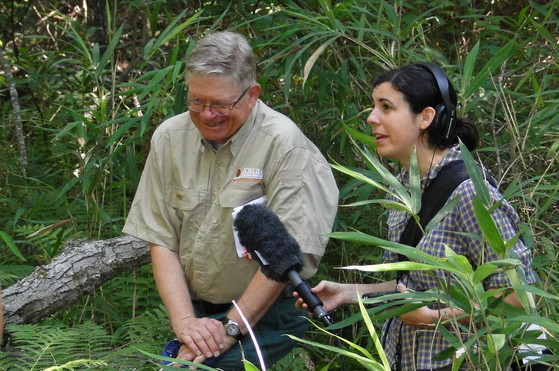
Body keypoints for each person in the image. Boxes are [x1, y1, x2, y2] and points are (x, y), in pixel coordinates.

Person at [295, 63, 538, 370]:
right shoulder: (401, 192)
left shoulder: (469, 193)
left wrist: (433, 319)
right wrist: (348, 293)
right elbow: (421, 289)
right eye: (373, 107)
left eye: (386, 107)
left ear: (425, 117)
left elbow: (517, 298)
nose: (371, 118)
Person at [122, 31, 339, 369]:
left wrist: (231, 328)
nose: (208, 114)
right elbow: (161, 239)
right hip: (199, 315)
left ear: (251, 95)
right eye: (197, 101)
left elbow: (285, 257)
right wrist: (185, 324)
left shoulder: (283, 144)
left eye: (222, 104)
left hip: (272, 312)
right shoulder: (170, 138)